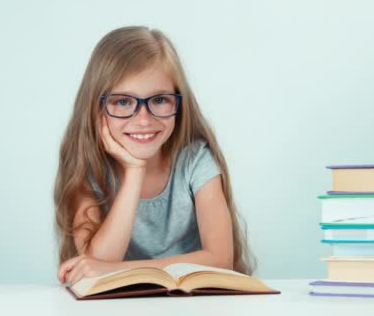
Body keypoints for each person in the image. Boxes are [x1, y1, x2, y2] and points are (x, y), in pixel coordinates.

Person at [54, 26, 255, 286]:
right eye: (123, 102)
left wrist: (122, 269)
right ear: (95, 108)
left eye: (159, 100)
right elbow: (98, 261)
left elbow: (221, 258)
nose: (143, 120)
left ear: (178, 104)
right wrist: (134, 171)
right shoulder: (88, 170)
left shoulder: (196, 162)